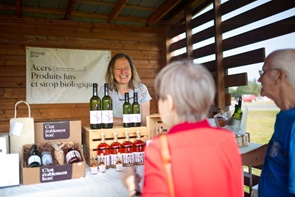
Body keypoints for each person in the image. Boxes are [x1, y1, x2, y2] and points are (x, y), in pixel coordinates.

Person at [120, 61, 244, 197]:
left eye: (159, 98)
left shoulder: (160, 148)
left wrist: (133, 187)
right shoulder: (227, 140)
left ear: (170, 102)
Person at [257, 49, 295, 197]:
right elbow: (275, 151)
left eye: (263, 72)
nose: (259, 80)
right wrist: (231, 157)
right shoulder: (286, 115)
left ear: (279, 75)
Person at [98, 53, 152, 126]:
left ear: (132, 70)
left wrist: (115, 120)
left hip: (137, 135)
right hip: (112, 135)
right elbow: (101, 119)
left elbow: (145, 121)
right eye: (118, 69)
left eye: (126, 68)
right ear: (112, 72)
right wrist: (131, 120)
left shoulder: (141, 89)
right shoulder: (105, 91)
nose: (122, 72)